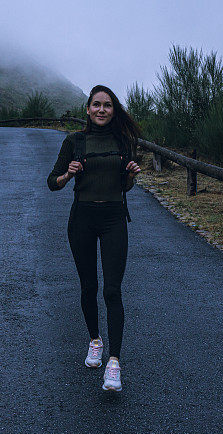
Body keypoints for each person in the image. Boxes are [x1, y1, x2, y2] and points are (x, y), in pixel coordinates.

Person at [47, 85, 142, 392]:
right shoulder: (74, 141)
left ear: (114, 111)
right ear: (87, 109)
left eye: (108, 105)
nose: (102, 110)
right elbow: (53, 182)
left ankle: (114, 363)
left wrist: (130, 174)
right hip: (82, 220)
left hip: (114, 219)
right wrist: (68, 174)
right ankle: (95, 341)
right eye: (97, 105)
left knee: (113, 291)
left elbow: (125, 187)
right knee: (89, 286)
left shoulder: (122, 141)